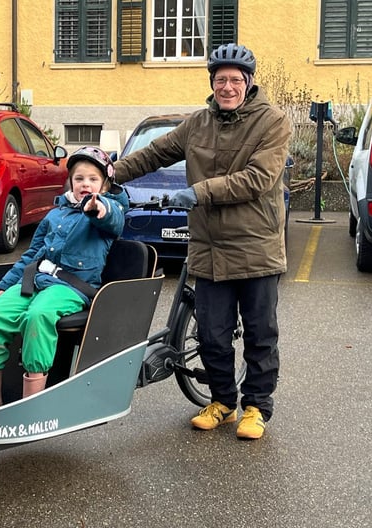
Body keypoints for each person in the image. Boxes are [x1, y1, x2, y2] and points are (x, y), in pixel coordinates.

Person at [114, 43, 292, 440]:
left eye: (235, 80)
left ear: (248, 83)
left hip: (256, 246)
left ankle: (256, 407)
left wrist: (199, 192)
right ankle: (223, 402)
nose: (227, 87)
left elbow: (258, 179)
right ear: (212, 83)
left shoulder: (273, 122)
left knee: (260, 334)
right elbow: (154, 153)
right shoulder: (198, 123)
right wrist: (107, 173)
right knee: (212, 334)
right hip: (209, 248)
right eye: (220, 79)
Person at [0, 146, 128, 411]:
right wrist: (4, 287)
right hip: (36, 281)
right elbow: (31, 255)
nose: (85, 184)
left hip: (71, 288)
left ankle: (31, 405)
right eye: (79, 178)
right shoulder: (55, 214)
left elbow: (112, 218)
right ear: (71, 182)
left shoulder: (105, 209)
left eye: (93, 179)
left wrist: (99, 208)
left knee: (38, 316)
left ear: (104, 185)